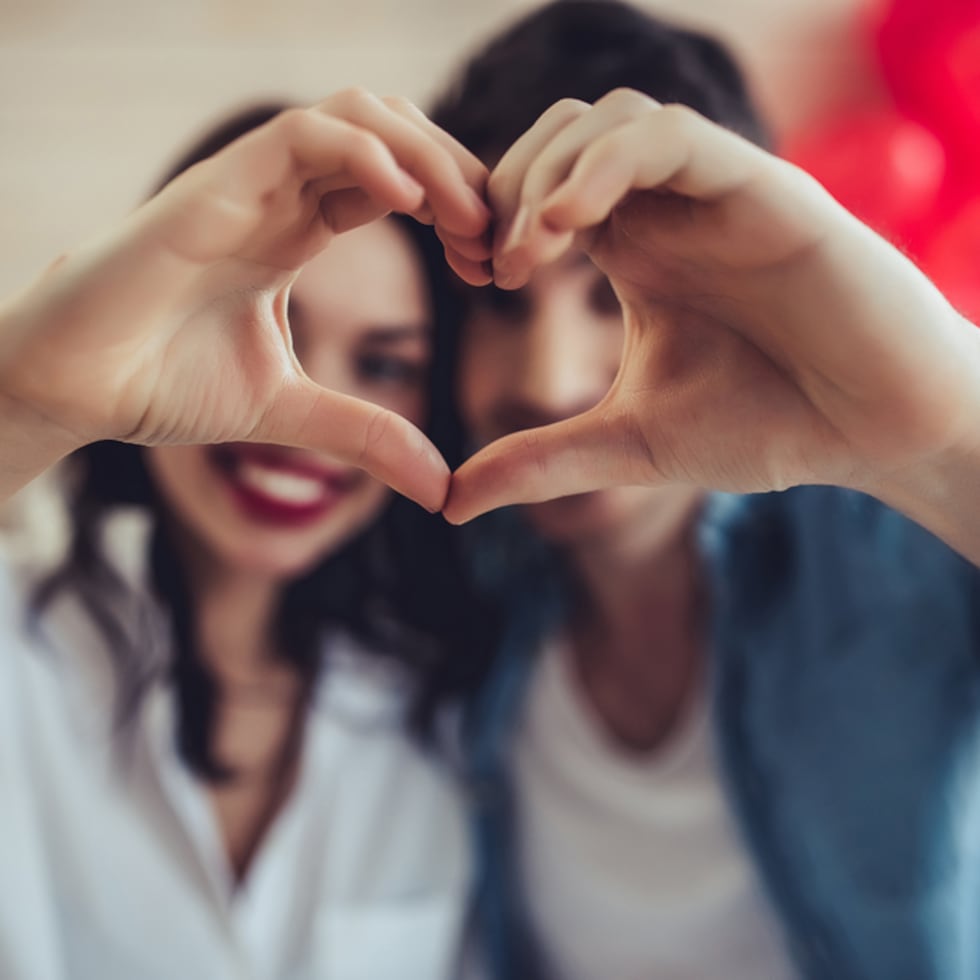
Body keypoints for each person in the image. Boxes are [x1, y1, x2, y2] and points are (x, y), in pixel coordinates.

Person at [430, 2, 980, 978]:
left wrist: (942, 417)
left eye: (612, 297)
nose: (548, 380)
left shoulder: (897, 547)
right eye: (500, 304)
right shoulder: (450, 589)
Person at [0, 92, 496, 979]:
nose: (305, 418)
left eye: (385, 365)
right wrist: (22, 397)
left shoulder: (446, 715)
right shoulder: (19, 652)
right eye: (263, 330)